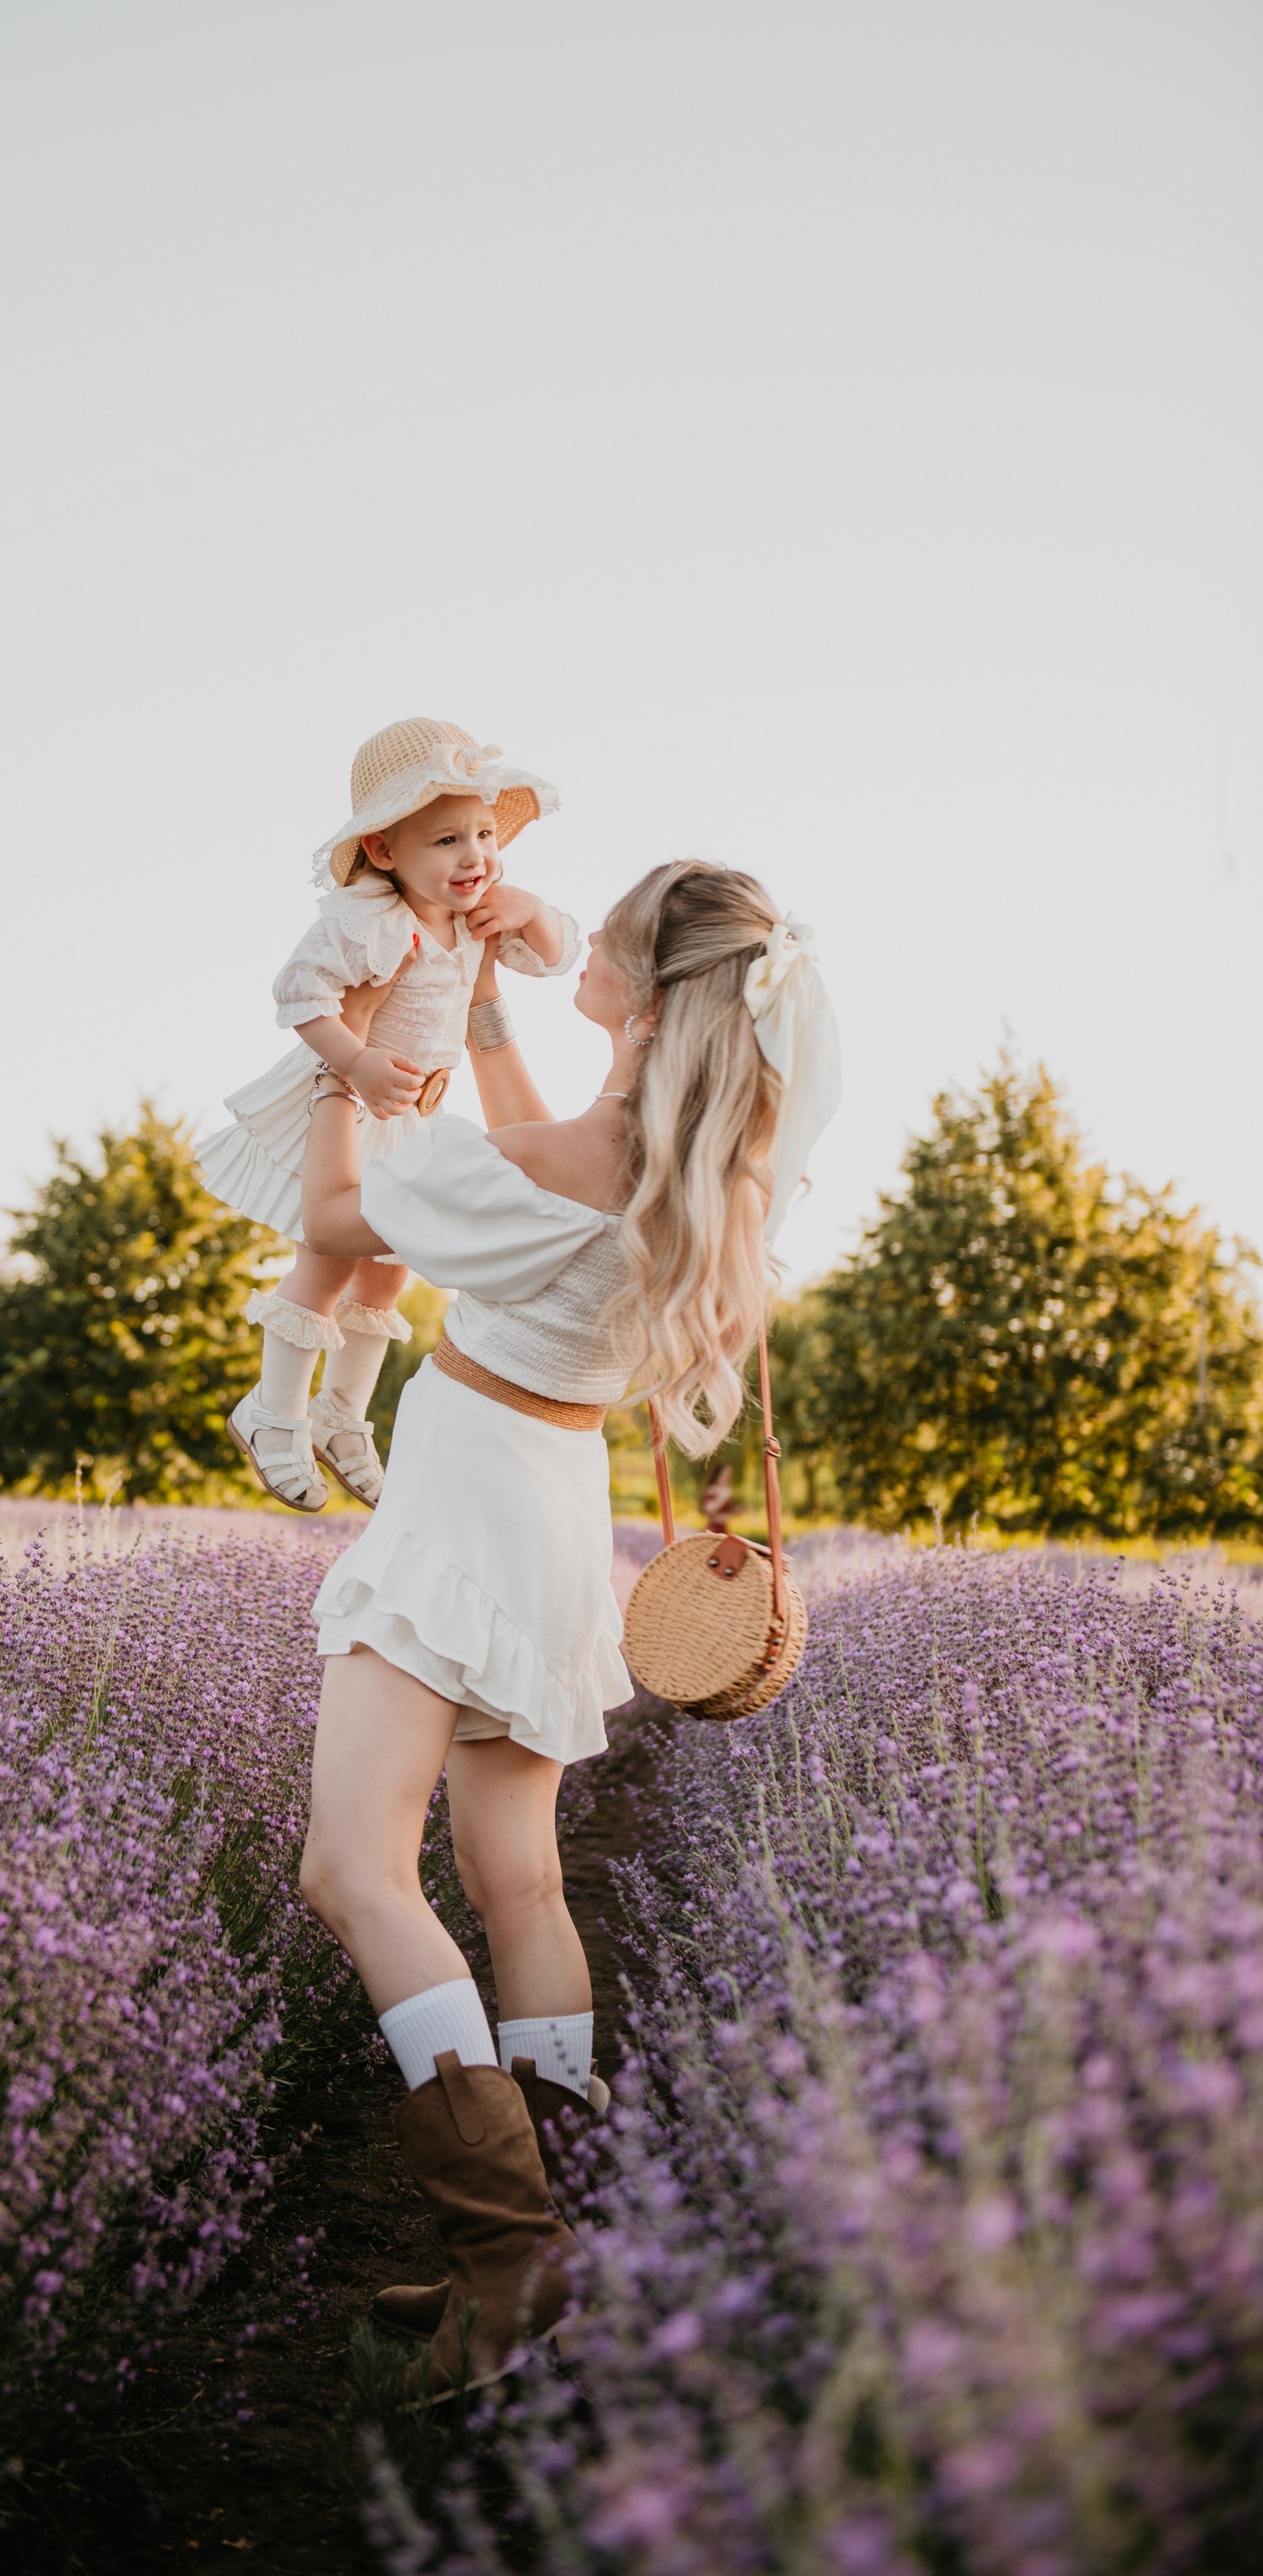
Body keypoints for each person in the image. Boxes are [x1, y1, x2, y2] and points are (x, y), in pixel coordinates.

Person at [294, 861, 840, 2395]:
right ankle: (564, 2251)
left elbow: (341, 1209)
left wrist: (340, 1046)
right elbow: (543, 1163)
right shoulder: (696, 1159)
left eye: (600, 939)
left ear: (651, 996)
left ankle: (503, 2252)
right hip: (548, 1495)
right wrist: (475, 1017)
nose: (571, 942)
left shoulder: (578, 1155)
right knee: (514, 1881)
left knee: (351, 1866)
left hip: (463, 1497)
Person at [194, 717, 579, 1514]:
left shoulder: (475, 914)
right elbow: (298, 996)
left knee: (390, 1266)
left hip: (411, 1114)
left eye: (482, 834)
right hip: (347, 1100)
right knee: (329, 1259)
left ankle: (343, 1414)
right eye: (445, 841)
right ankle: (272, 1411)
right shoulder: (366, 919)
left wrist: (529, 908)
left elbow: (554, 956)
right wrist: (357, 1058)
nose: (474, 856)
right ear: (382, 851)